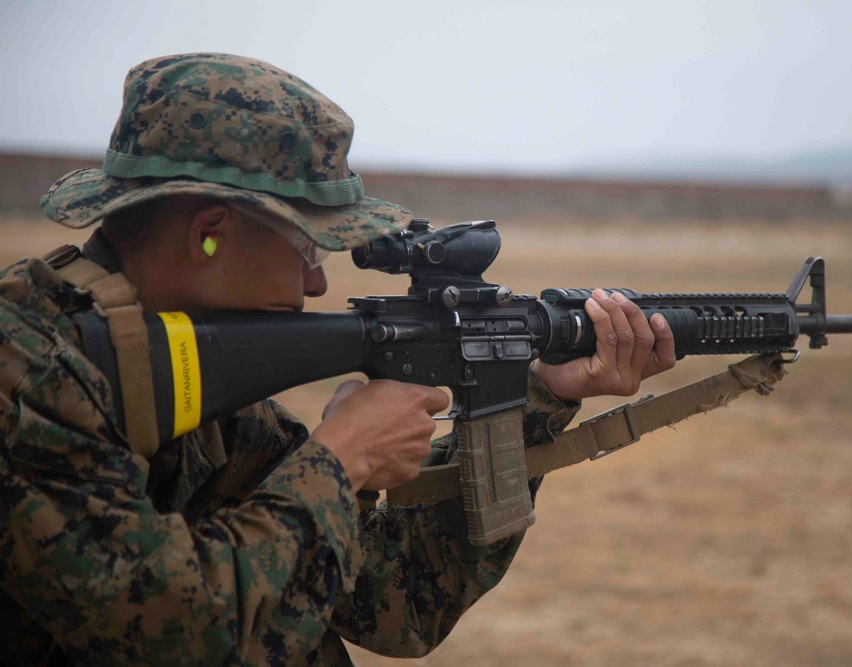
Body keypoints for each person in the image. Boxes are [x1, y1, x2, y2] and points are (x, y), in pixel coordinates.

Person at [0, 53, 675, 665]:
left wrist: (537, 397)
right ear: (209, 237)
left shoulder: (194, 390)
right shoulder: (24, 370)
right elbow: (171, 634)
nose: (317, 285)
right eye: (307, 251)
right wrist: (342, 457)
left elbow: (398, 599)